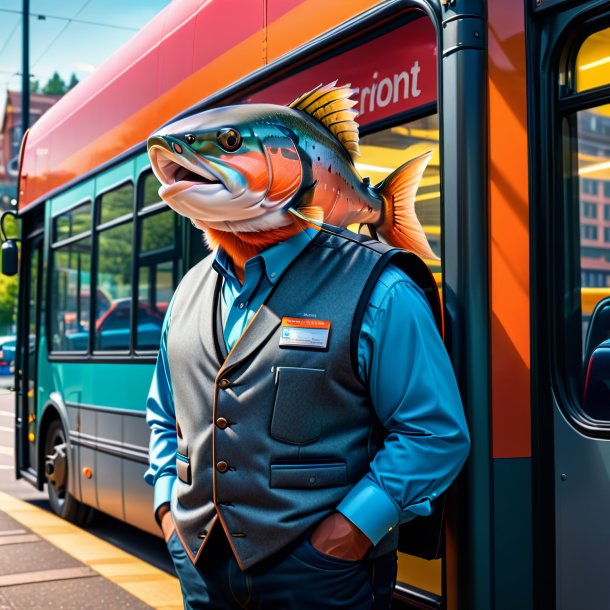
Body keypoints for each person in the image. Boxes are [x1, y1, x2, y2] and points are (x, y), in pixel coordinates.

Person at [144, 84, 470, 610]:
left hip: (324, 577)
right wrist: (166, 508)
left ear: (299, 163)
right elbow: (164, 415)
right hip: (200, 567)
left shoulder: (382, 289)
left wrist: (350, 531)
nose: (174, 163)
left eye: (228, 143)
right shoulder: (187, 291)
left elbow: (435, 433)